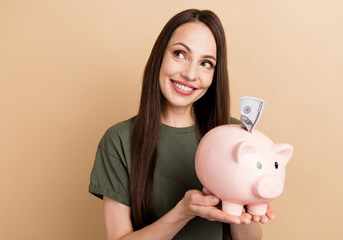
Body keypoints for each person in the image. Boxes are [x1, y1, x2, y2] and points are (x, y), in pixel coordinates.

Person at [89, 9, 275, 240]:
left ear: (215, 75)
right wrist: (183, 211)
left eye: (206, 63)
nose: (190, 74)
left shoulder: (236, 136)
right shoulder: (119, 140)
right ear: (160, 56)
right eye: (180, 54)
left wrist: (252, 206)